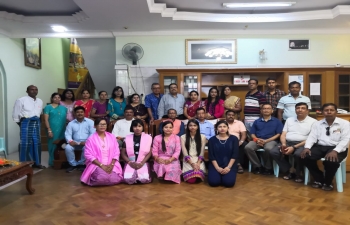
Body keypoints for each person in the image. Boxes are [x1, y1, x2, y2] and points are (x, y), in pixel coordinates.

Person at [301, 103, 350, 191]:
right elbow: (312, 137)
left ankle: (328, 182)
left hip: (337, 148)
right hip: (321, 147)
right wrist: (307, 147)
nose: (329, 112)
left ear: (336, 112)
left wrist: (335, 151)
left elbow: (345, 140)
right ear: (322, 112)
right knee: (305, 156)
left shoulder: (345, 124)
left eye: (331, 110)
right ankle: (319, 178)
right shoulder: (317, 124)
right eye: (326, 110)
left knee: (331, 161)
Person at [270, 102, 316, 182]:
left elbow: (311, 139)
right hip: (288, 142)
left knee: (298, 154)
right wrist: (284, 144)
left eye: (303, 108)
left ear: (307, 111)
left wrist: (294, 147)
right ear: (295, 110)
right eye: (298, 108)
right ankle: (290, 170)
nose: (300, 110)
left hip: (303, 144)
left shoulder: (314, 122)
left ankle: (299, 173)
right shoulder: (289, 120)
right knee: (274, 152)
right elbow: (283, 134)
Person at [80, 118, 123, 186]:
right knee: (101, 178)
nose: (102, 126)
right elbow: (88, 155)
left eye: (104, 124)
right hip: (97, 164)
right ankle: (92, 177)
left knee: (116, 179)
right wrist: (101, 166)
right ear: (95, 126)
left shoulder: (111, 137)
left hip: (111, 164)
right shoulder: (91, 139)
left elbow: (116, 152)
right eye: (100, 124)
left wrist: (111, 165)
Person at [244, 103, 283, 175]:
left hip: (271, 140)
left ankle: (268, 168)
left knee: (268, 148)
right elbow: (252, 133)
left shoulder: (277, 121)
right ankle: (258, 166)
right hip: (257, 140)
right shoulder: (257, 121)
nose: (266, 110)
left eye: (268, 108)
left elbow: (278, 134)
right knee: (248, 147)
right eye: (264, 108)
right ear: (261, 111)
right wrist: (257, 140)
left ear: (272, 111)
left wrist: (266, 141)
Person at [12, 85, 45, 169]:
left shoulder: (40, 101)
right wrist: (21, 124)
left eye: (36, 89)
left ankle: (37, 163)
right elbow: (16, 114)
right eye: (32, 89)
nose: (34, 91)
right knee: (25, 143)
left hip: (36, 122)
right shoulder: (21, 100)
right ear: (27, 91)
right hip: (26, 122)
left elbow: (39, 113)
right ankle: (24, 165)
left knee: (37, 142)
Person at [207, 120, 239, 188]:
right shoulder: (212, 140)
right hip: (215, 165)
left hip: (229, 164)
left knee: (229, 183)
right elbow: (211, 156)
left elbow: (235, 154)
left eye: (224, 126)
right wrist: (218, 168)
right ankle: (218, 175)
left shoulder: (234, 139)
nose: (222, 128)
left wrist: (228, 167)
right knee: (213, 183)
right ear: (216, 128)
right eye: (220, 127)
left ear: (228, 128)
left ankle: (224, 176)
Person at [121, 119, 152, 184]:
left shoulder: (148, 138)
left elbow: (150, 152)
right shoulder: (127, 138)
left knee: (144, 179)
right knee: (128, 179)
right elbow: (123, 153)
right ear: (132, 127)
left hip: (143, 162)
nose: (137, 128)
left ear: (143, 127)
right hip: (130, 162)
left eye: (139, 126)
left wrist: (142, 163)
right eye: (135, 126)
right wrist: (129, 162)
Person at [65, 106, 95, 173]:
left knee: (87, 147)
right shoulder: (71, 123)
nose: (80, 113)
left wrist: (87, 141)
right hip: (75, 142)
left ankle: (82, 164)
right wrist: (70, 141)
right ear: (75, 114)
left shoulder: (90, 122)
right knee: (68, 148)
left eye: (81, 112)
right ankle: (73, 165)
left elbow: (93, 133)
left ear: (84, 113)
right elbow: (68, 134)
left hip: (86, 142)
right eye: (77, 112)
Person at [43, 93, 67, 167]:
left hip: (62, 129)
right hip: (52, 129)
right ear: (52, 98)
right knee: (52, 144)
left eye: (58, 97)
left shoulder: (64, 108)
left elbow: (65, 119)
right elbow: (46, 120)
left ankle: (60, 161)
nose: (57, 99)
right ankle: (52, 162)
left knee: (61, 145)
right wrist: (49, 130)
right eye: (55, 97)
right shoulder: (48, 107)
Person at [181, 119, 206, 183]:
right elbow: (184, 152)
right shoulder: (183, 137)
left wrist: (198, 163)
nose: (192, 127)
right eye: (190, 125)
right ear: (188, 127)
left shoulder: (203, 137)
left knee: (198, 176)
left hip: (198, 159)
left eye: (195, 125)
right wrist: (192, 163)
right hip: (188, 159)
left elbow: (202, 152)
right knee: (191, 180)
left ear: (197, 127)